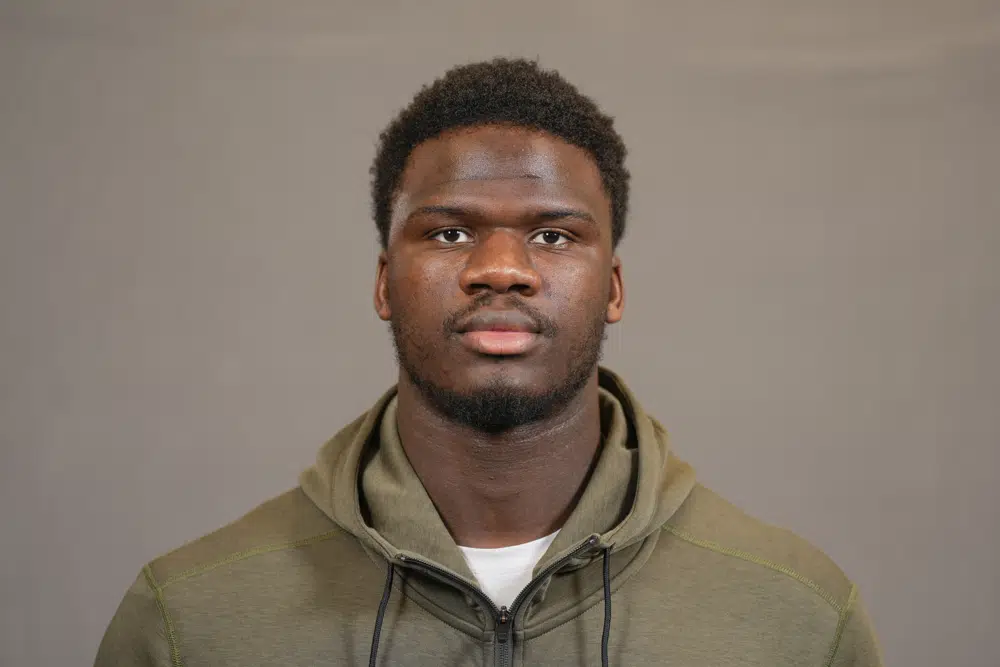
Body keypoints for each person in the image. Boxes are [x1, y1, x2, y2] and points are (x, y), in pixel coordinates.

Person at [95, 58, 882, 667]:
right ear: (382, 282)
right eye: (447, 233)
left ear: (612, 287)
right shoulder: (192, 619)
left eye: (553, 235)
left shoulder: (797, 615)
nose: (501, 267)